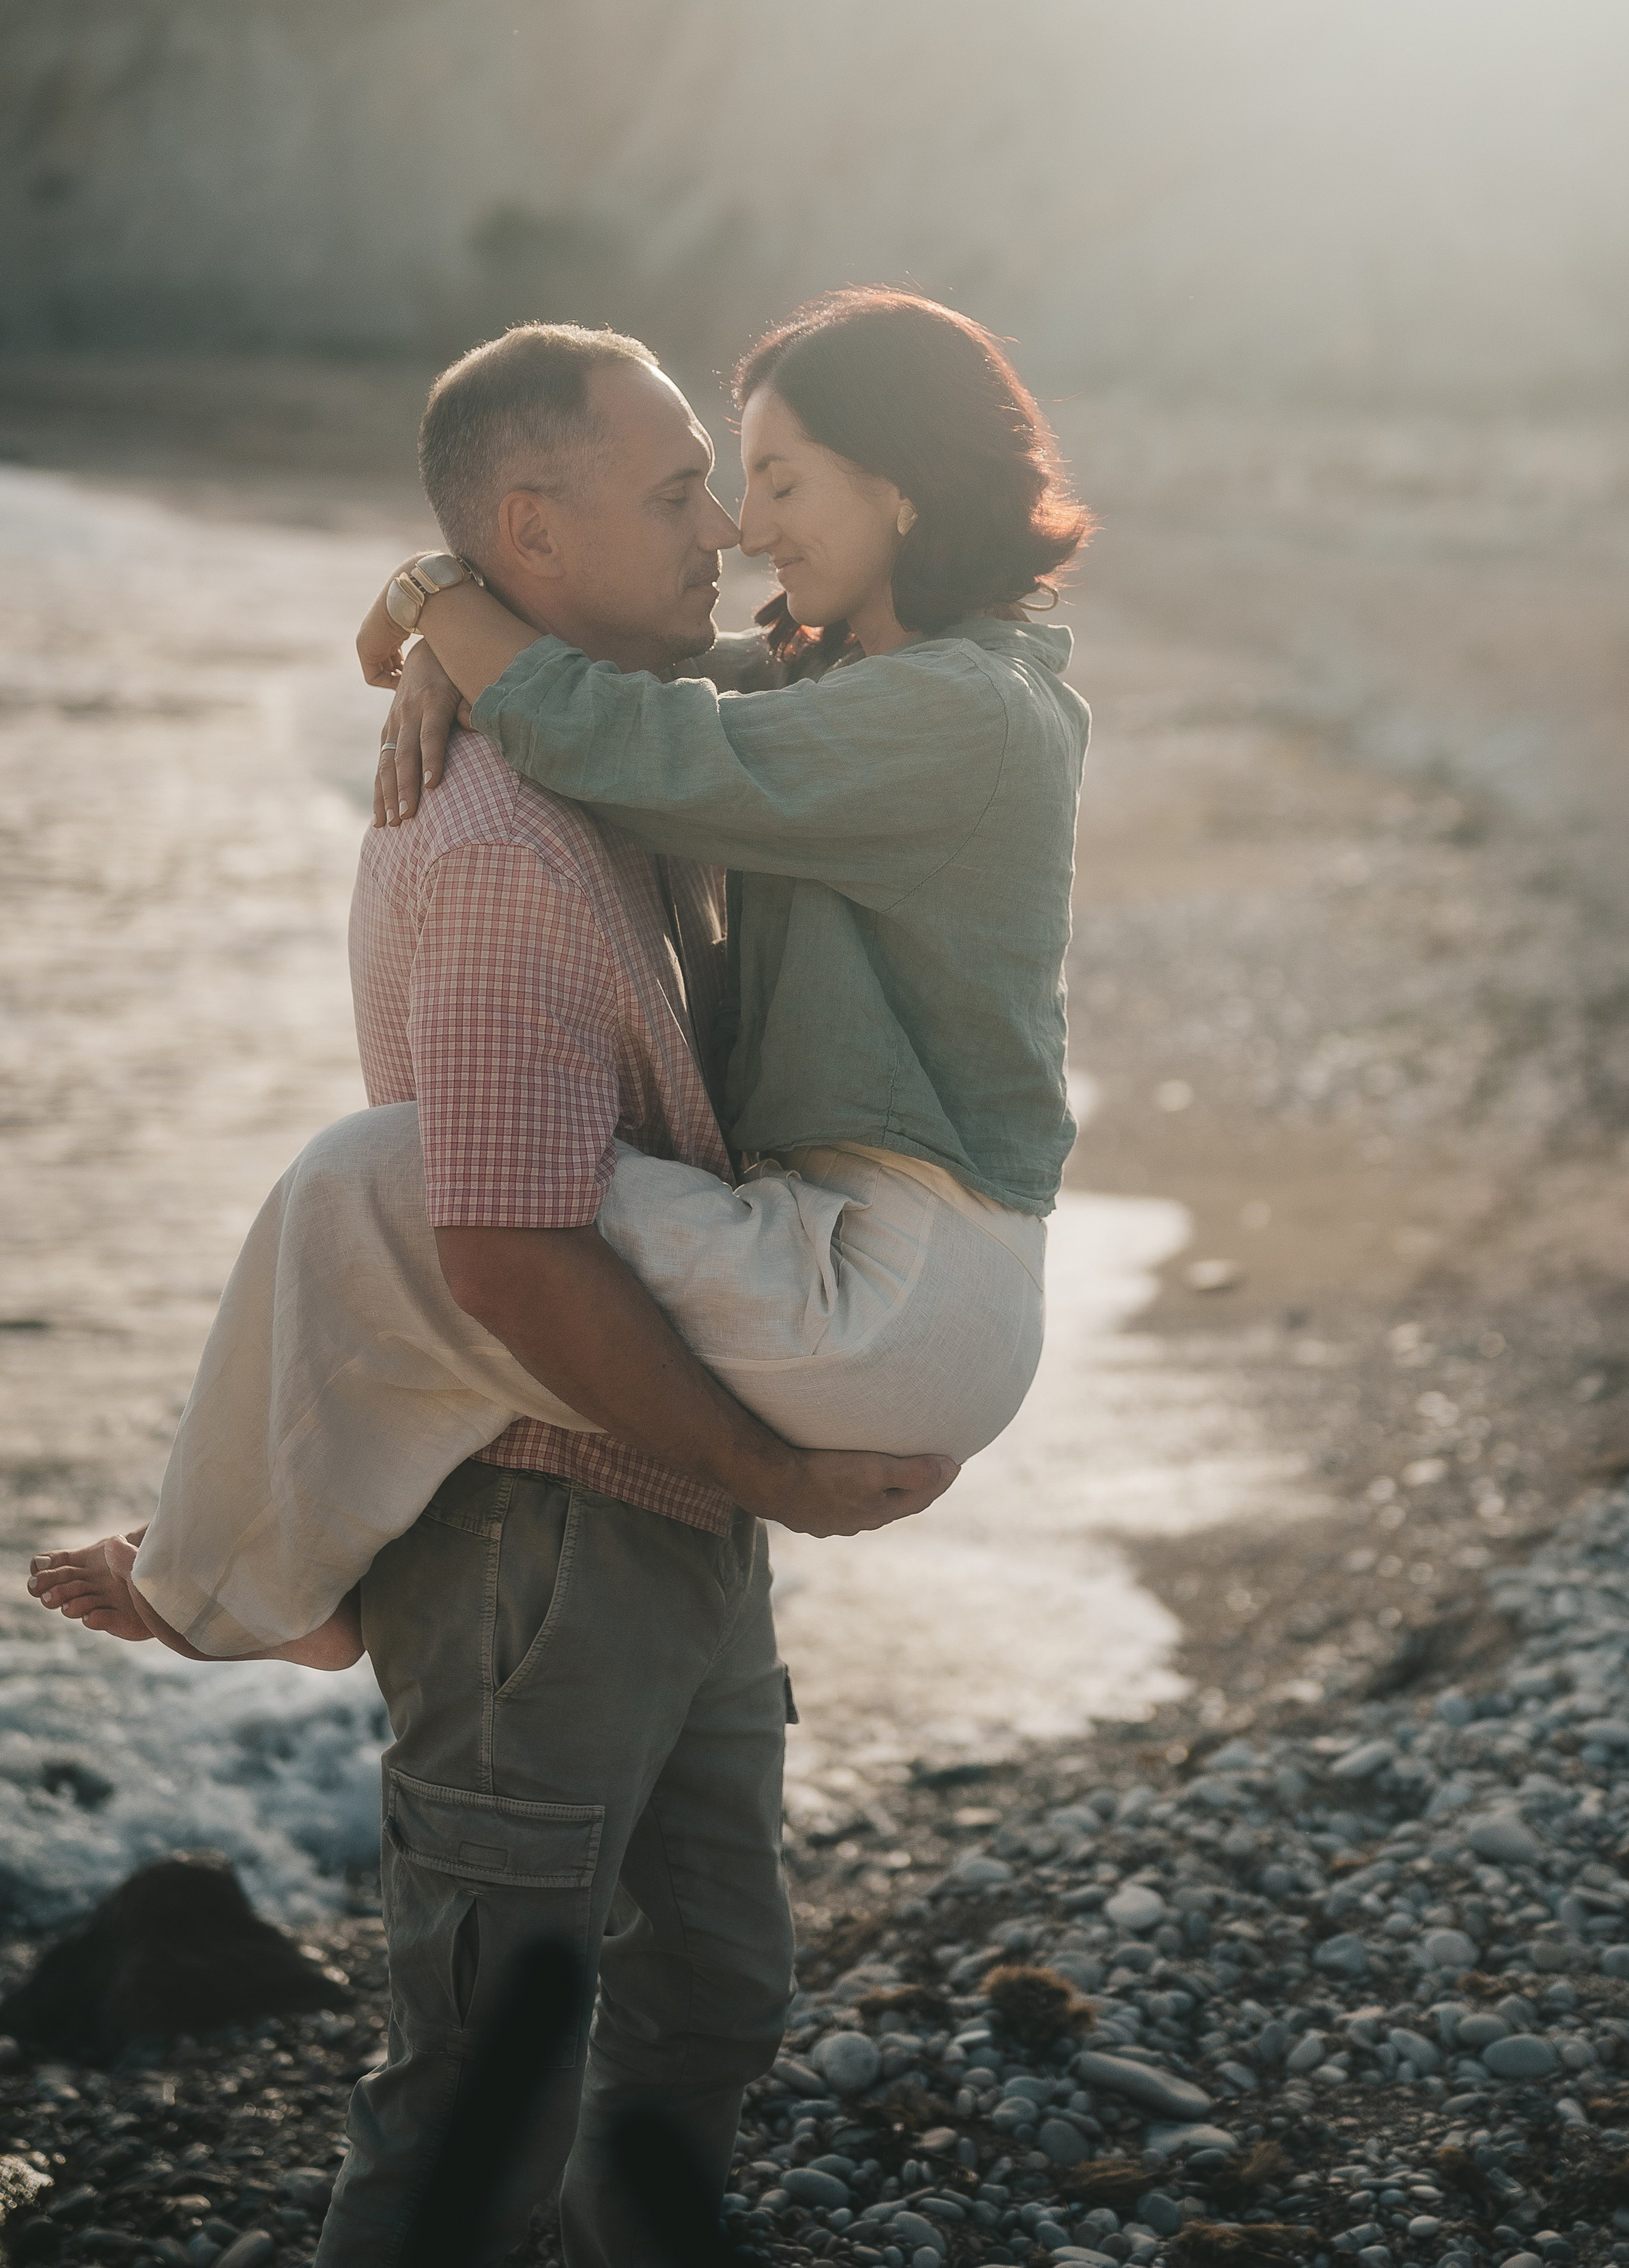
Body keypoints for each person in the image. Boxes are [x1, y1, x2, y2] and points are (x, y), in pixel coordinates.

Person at [30, 321, 965, 2268]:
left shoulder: (611, 742)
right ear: (533, 530)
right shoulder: (506, 848)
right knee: (478, 2092)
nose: (717, 525)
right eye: (669, 493)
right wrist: (768, 1468)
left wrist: (438, 614)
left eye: (727, 482)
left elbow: (850, 681)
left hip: (679, 1509)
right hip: (550, 1529)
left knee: (711, 1999)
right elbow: (507, 1248)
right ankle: (236, 1576)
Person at [36, 290, 1090, 1673]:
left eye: (776, 481)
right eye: (722, 483)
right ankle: (296, 1563)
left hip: (899, 1291)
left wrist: (436, 601)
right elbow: (611, 682)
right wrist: (457, 648)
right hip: (875, 1265)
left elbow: (631, 741)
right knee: (436, 1222)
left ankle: (214, 1581)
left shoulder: (957, 712)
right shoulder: (858, 684)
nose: (745, 528)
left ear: (896, 487)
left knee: (374, 1184)